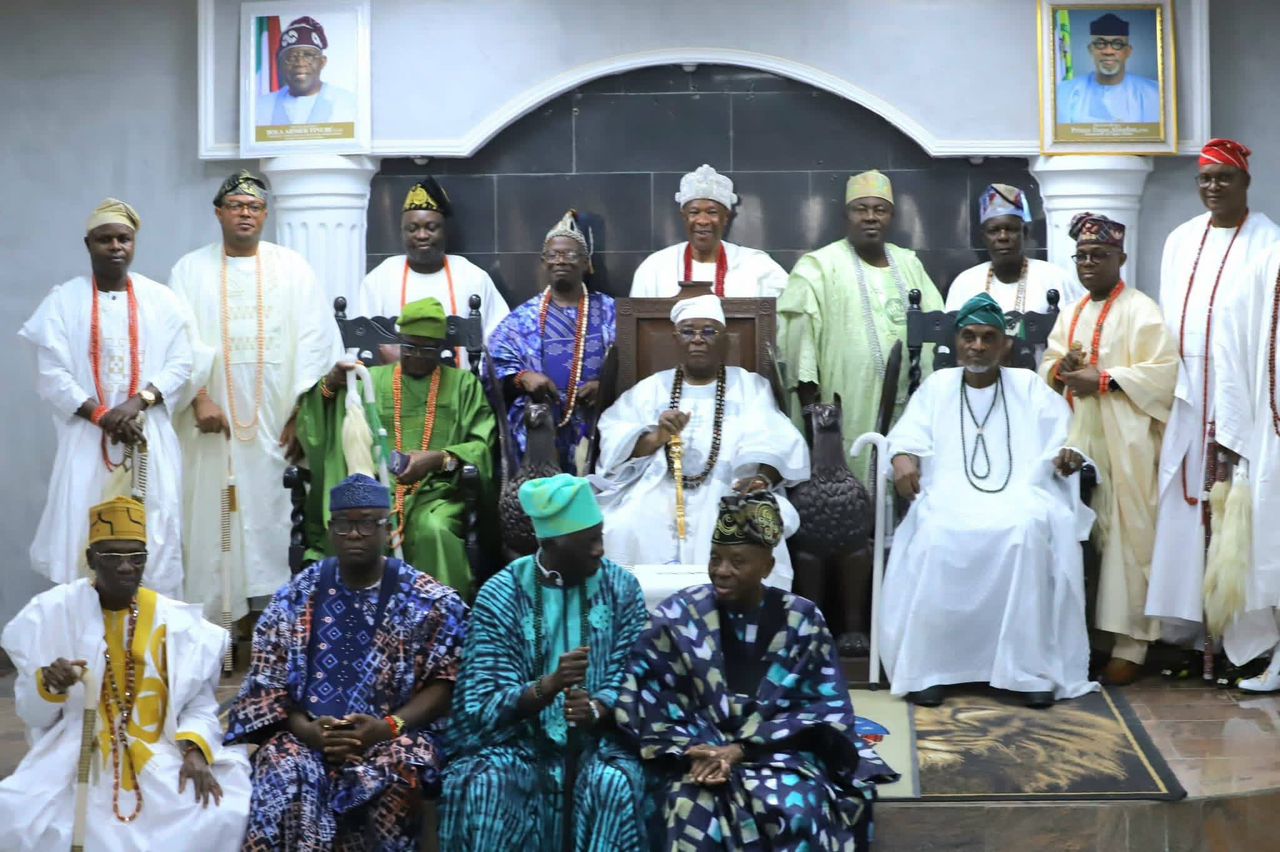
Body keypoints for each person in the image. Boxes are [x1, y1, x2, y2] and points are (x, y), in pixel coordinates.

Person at [616, 491, 893, 849]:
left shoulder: (802, 620)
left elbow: (822, 710)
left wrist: (743, 748)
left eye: (737, 561)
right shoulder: (680, 614)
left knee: (798, 808)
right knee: (689, 808)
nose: (721, 570)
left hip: (782, 753)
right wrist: (694, 750)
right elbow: (646, 692)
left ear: (767, 566)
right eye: (715, 558)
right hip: (696, 753)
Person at [225, 474, 468, 851]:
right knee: (279, 767)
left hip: (393, 733)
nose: (355, 534)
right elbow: (267, 686)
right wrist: (309, 732)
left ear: (387, 529)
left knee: (403, 767)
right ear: (330, 530)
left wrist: (387, 727)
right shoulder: (296, 597)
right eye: (344, 524)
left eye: (368, 523)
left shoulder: (427, 599)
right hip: (307, 735)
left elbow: (447, 680)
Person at [881, 294, 1097, 708]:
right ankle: (933, 669)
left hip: (1020, 494)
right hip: (948, 496)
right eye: (969, 336)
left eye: (987, 338)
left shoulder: (1028, 386)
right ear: (956, 342)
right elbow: (906, 436)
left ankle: (1027, 671)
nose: (977, 346)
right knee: (936, 534)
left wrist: (1068, 456)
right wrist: (902, 457)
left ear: (1005, 345)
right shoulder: (937, 387)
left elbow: (1064, 439)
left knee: (1025, 531)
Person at [0, 497, 251, 851]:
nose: (125, 567)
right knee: (24, 818)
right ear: (90, 559)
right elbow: (31, 713)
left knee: (225, 810)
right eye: (112, 556)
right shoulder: (54, 613)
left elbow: (198, 705)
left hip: (161, 755)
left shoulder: (175, 623)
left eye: (136, 557)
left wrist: (195, 749)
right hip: (79, 757)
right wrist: (49, 685)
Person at [170, 170, 343, 623]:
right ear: (218, 213)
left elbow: (316, 344)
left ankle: (275, 624)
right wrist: (199, 398)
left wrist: (302, 417)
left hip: (277, 420)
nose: (245, 214)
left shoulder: (293, 268)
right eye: (235, 206)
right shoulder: (189, 270)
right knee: (214, 516)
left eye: (254, 207)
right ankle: (219, 626)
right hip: (212, 423)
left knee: (273, 515)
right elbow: (177, 341)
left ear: (266, 215)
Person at [441, 474, 648, 851]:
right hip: (517, 742)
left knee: (612, 783)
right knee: (489, 784)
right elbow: (480, 702)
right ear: (551, 543)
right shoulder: (501, 594)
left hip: (598, 743)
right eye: (588, 542)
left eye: (600, 537)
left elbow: (633, 672)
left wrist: (597, 708)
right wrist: (547, 686)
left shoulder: (622, 589)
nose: (600, 550)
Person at [18, 199, 195, 598]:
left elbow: (182, 362)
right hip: (87, 439)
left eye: (123, 239)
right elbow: (52, 373)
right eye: (105, 239)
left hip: (147, 438)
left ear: (134, 244)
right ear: (88, 244)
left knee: (156, 533)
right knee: (82, 531)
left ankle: (150, 631)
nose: (115, 246)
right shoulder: (64, 301)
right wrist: (101, 415)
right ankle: (86, 631)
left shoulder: (161, 299)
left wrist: (137, 402)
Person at [1147, 139, 1280, 641]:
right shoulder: (1180, 239)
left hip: (1242, 389)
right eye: (1205, 178)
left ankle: (1241, 634)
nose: (1213, 186)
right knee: (1185, 507)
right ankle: (1188, 629)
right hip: (1186, 390)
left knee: (1238, 504)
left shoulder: (1268, 241)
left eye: (1224, 177)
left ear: (1246, 181)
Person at [1041, 213, 1178, 685]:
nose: (1088, 263)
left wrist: (1104, 380)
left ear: (1121, 258)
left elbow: (1164, 373)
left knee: (1128, 535)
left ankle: (1131, 644)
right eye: (1081, 255)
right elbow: (1049, 365)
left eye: (1099, 255)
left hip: (1128, 440)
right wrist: (1062, 368)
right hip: (1078, 436)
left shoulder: (1141, 309)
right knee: (1085, 535)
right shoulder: (1072, 312)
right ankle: (1094, 637)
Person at [593, 294, 809, 586]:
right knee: (621, 525)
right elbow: (613, 435)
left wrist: (762, 478)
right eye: (688, 331)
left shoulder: (749, 385)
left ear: (724, 340)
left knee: (749, 525)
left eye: (709, 331)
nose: (698, 339)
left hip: (728, 486)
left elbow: (776, 438)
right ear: (675, 340)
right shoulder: (650, 389)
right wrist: (656, 437)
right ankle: (637, 608)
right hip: (657, 485)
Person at [297, 297, 496, 596]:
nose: (416, 356)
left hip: (438, 493)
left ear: (441, 347)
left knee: (433, 530)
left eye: (427, 349)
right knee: (355, 528)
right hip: (373, 490)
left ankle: (438, 617)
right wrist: (330, 384)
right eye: (409, 347)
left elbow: (482, 445)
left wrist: (439, 459)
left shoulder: (463, 385)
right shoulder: (371, 379)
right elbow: (327, 422)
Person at [778, 168, 944, 479]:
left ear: (891, 216)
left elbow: (939, 331)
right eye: (860, 209)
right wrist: (818, 431)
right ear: (846, 215)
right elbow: (802, 361)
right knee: (850, 491)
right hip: (845, 408)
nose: (870, 217)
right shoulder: (818, 267)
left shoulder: (909, 264)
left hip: (912, 404)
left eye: (880, 209)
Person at [488, 210, 616, 472]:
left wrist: (605, 386)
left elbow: (633, 362)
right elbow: (492, 363)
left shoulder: (609, 311)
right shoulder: (523, 318)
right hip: (540, 430)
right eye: (553, 255)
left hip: (597, 427)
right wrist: (523, 377)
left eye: (570, 254)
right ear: (543, 262)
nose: (561, 260)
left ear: (586, 263)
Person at [1210, 240, 1280, 691]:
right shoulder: (1268, 263)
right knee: (1274, 544)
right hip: (1273, 432)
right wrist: (1235, 430)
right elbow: (1230, 328)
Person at [354, 177, 509, 368]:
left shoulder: (473, 277)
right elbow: (363, 344)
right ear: (402, 233)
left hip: (461, 385)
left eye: (431, 228)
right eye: (412, 229)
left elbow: (500, 338)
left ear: (445, 231)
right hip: (395, 385)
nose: (422, 235)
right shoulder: (380, 279)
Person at [630, 164, 788, 298]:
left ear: (726, 217)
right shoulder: (655, 268)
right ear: (684, 217)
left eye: (712, 212)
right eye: (694, 212)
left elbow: (786, 317)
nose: (703, 220)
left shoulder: (758, 267)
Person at [944, 183, 1084, 334]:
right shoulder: (965, 283)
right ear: (983, 237)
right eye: (994, 231)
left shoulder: (1055, 278)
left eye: (1011, 229)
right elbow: (951, 338)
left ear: (1025, 233)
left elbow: (1079, 332)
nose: (1003, 237)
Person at [1057, 13, 1160, 125]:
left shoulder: (1154, 92)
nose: (1108, 51)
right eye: (1100, 43)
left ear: (1128, 51)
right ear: (1090, 49)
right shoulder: (1065, 92)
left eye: (1117, 44)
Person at [255, 16, 357, 126]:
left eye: (308, 55)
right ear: (280, 64)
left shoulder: (348, 103)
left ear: (322, 62)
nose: (300, 63)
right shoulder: (261, 106)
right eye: (291, 57)